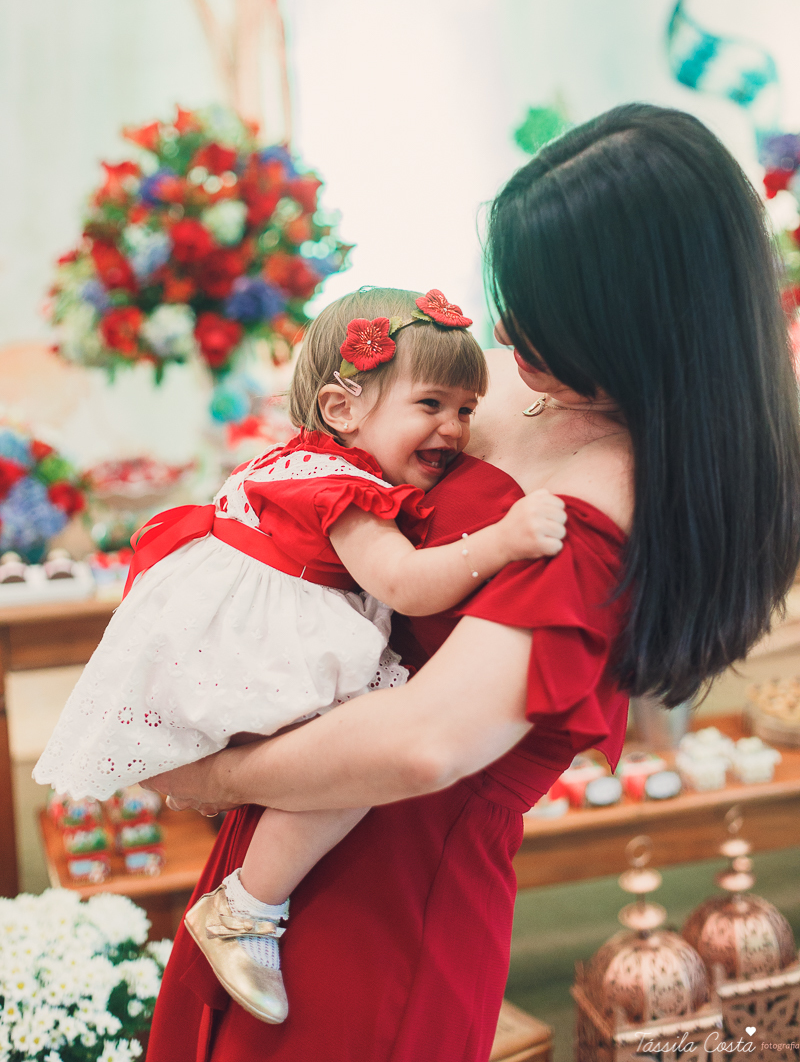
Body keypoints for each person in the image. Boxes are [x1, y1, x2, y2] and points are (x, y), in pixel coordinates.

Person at [145, 104, 800, 1062]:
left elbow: (424, 745)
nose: (504, 324)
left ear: (635, 322)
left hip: (387, 905)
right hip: (286, 849)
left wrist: (209, 773)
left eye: (545, 306)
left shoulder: (602, 517)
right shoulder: (542, 382)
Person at [33, 285, 566, 1025]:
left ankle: (248, 897)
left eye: (467, 410)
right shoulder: (344, 491)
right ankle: (247, 905)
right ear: (344, 410)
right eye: (432, 405)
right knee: (357, 757)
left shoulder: (299, 462)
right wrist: (504, 540)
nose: (455, 429)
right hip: (269, 650)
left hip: (228, 636)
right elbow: (407, 587)